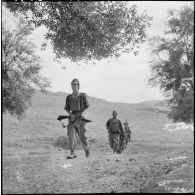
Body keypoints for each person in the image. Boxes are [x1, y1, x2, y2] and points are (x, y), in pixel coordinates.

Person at [64, 78, 90, 159]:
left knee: (82, 136)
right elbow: (67, 109)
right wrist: (70, 115)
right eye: (72, 84)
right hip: (72, 118)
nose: (74, 85)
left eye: (75, 84)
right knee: (71, 135)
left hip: (81, 118)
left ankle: (86, 149)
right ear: (71, 86)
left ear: (78, 86)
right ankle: (72, 152)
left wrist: (82, 114)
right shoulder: (68, 97)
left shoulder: (83, 96)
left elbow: (87, 107)